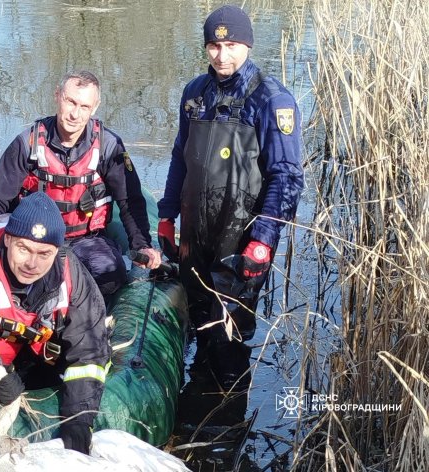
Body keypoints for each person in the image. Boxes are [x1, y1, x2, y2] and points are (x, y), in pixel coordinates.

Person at [157, 5, 304, 389]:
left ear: (248, 45)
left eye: (232, 45)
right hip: (195, 234)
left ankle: (229, 424)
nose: (223, 55)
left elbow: (287, 178)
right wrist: (166, 215)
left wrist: (263, 242)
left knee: (229, 336)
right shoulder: (194, 93)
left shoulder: (272, 99)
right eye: (214, 45)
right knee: (201, 327)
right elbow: (179, 156)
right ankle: (195, 410)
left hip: (240, 237)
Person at [0, 192, 111, 455]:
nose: (32, 263)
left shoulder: (72, 274)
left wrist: (79, 422)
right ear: (8, 239)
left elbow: (90, 354)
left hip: (40, 357)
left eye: (43, 253)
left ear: (58, 251)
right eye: (23, 249)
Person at [0, 70, 161, 296]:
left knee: (110, 276)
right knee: (19, 282)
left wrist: (142, 245)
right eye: (70, 102)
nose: (75, 114)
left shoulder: (109, 146)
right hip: (34, 240)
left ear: (95, 107)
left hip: (86, 240)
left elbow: (129, 200)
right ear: (58, 96)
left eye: (84, 107)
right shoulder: (28, 143)